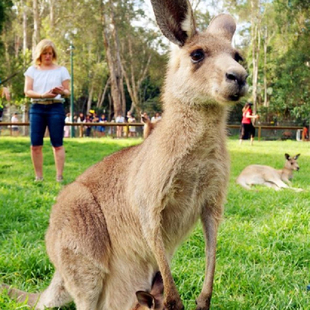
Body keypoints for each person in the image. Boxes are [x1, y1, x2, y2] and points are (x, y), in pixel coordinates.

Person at [24, 39, 70, 182]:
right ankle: (39, 177)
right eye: (45, 53)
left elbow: (68, 91)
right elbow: (27, 91)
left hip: (55, 107)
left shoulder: (62, 70)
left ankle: (59, 176)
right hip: (37, 107)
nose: (48, 56)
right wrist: (42, 95)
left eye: (50, 53)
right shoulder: (32, 70)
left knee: (57, 144)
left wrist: (61, 91)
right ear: (40, 54)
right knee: (35, 145)